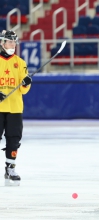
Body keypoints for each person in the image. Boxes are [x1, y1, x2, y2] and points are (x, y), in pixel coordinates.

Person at [0, 30, 32, 186]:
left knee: (14, 139)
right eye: (9, 42)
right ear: (2, 43)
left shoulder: (20, 62)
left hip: (15, 108)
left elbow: (24, 89)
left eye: (14, 42)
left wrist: (26, 83)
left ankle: (10, 168)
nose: (12, 45)